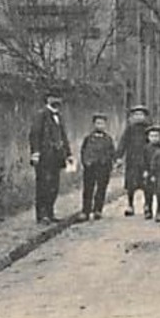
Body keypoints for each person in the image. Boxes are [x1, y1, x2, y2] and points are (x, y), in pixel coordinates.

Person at [29, 91, 73, 224]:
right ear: (47, 99)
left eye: (59, 97)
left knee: (54, 186)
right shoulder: (41, 115)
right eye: (53, 97)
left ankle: (50, 212)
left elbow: (63, 136)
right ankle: (42, 215)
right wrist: (35, 153)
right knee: (43, 185)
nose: (56, 100)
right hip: (44, 156)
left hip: (57, 157)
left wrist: (69, 153)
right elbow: (34, 135)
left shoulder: (59, 115)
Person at [78, 113, 115, 222]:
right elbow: (83, 151)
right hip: (90, 167)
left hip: (103, 167)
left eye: (102, 123)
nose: (100, 125)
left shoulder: (108, 139)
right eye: (98, 123)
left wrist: (109, 163)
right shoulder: (88, 138)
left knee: (101, 189)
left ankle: (98, 210)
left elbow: (112, 152)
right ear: (94, 124)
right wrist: (86, 162)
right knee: (88, 189)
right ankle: (85, 211)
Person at [116, 104, 150, 215]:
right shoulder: (130, 129)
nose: (138, 116)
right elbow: (123, 142)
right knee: (131, 184)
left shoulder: (148, 128)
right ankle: (130, 205)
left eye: (141, 114)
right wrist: (119, 157)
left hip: (146, 160)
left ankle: (147, 205)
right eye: (136, 114)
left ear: (145, 116)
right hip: (132, 160)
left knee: (147, 184)